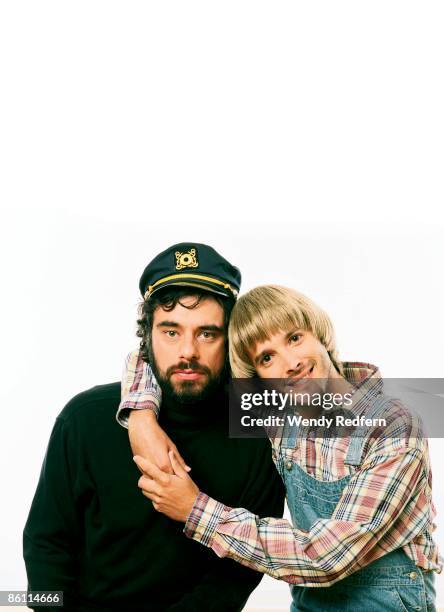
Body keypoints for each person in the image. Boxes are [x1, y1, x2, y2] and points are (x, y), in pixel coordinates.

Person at [124, 285, 442, 612]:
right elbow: (165, 358)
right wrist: (141, 416)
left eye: (294, 338)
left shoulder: (394, 426)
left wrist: (196, 510)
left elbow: (327, 558)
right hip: (309, 604)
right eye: (267, 357)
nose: (290, 364)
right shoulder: (277, 411)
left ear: (319, 333)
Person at [23, 244, 285, 612]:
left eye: (208, 334)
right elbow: (45, 546)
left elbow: (236, 575)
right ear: (147, 336)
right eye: (171, 332)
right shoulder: (84, 418)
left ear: (231, 340)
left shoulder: (259, 431)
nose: (188, 352)